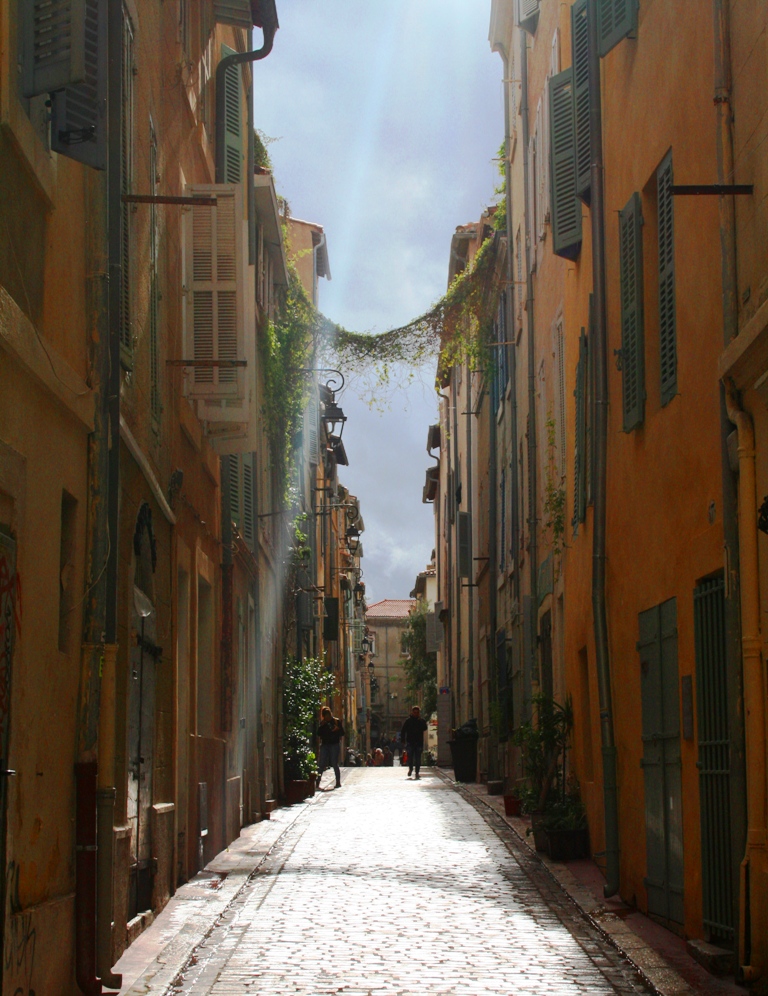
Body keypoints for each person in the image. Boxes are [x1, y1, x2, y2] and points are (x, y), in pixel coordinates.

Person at [316, 706, 344, 789]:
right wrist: (322, 726)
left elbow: (342, 733)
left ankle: (338, 782)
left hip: (334, 744)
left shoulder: (336, 721)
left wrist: (337, 729)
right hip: (325, 745)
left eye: (329, 715)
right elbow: (318, 734)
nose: (328, 717)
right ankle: (317, 783)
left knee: (334, 763)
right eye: (326, 716)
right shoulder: (323, 724)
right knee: (321, 764)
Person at [400, 705, 428, 780]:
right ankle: (411, 769)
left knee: (418, 758)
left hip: (418, 742)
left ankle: (417, 772)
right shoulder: (408, 721)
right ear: (412, 712)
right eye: (414, 712)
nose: (416, 714)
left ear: (419, 713)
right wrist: (403, 740)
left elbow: (425, 728)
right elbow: (403, 730)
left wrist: (420, 721)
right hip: (410, 742)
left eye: (417, 712)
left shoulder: (421, 721)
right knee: (410, 757)